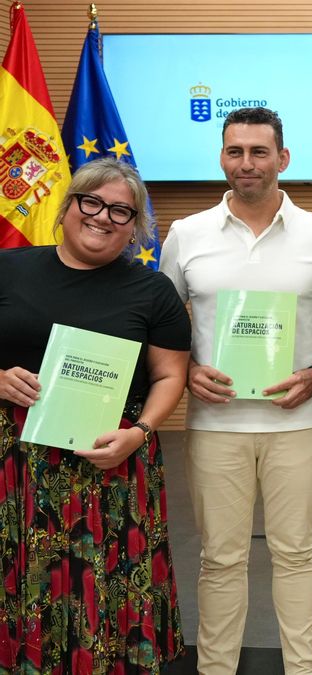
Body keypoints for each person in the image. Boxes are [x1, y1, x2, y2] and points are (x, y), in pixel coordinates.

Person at [158, 107, 312, 675]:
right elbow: (161, 324)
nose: (247, 163)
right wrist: (187, 369)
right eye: (235, 151)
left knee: (295, 554)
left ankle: (301, 667)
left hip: (299, 424)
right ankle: (216, 669)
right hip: (215, 427)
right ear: (222, 157)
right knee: (220, 559)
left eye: (259, 152)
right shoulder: (186, 235)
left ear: (282, 159)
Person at [0, 156, 191, 671]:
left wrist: (143, 432)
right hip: (13, 466)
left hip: (114, 458)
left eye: (121, 212)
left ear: (134, 230)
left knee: (108, 582)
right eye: (92, 202)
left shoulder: (153, 290)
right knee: (17, 575)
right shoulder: (7, 267)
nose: (104, 217)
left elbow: (171, 375)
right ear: (67, 208)